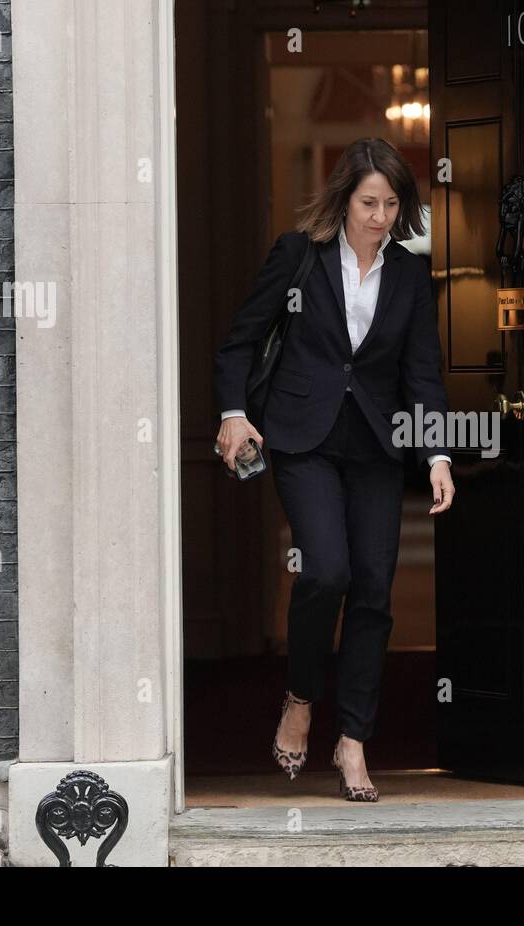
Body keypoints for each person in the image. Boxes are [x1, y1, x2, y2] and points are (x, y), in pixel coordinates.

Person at [212, 137, 455, 802]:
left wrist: (436, 453)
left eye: (391, 203)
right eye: (369, 202)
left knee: (374, 589)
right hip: (303, 438)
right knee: (327, 569)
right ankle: (300, 696)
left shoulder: (407, 276)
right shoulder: (300, 255)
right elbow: (238, 342)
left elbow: (422, 372)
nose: (380, 215)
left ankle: (353, 740)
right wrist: (234, 413)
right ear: (345, 199)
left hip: (376, 445)